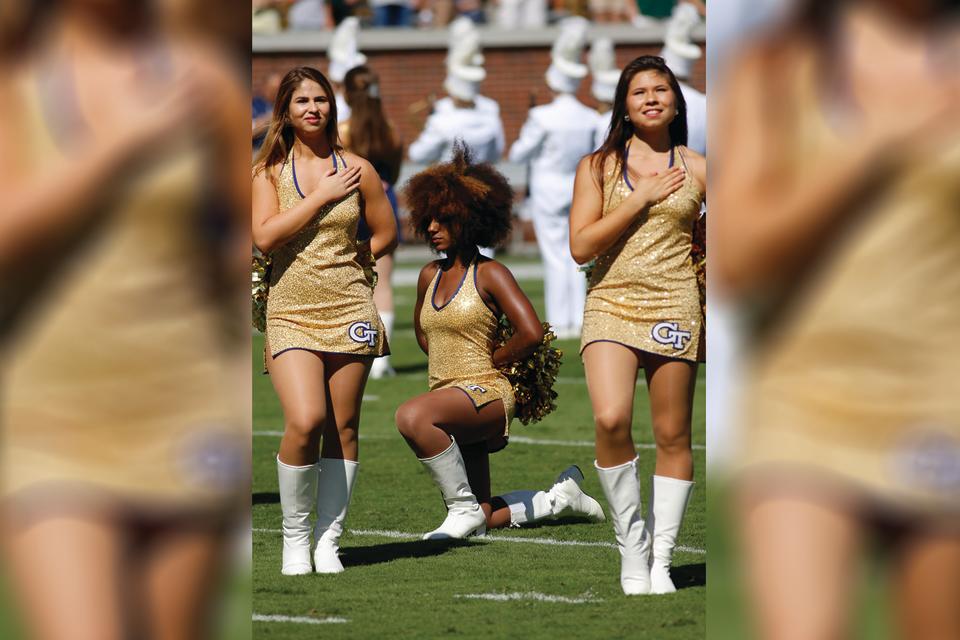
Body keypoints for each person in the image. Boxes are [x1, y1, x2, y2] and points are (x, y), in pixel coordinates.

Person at [0, 1, 249, 638]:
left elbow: (245, 228)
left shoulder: (200, 77)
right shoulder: (16, 77)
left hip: (187, 409)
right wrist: (119, 143)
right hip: (50, 418)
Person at [712, 1, 960, 637]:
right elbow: (736, 260)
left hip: (945, 404)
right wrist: (872, 146)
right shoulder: (776, 64)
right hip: (810, 402)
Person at [395, 144, 605, 538]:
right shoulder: (429, 275)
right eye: (430, 220)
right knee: (484, 518)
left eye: (444, 219)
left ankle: (459, 510)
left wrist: (491, 360)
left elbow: (531, 332)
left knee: (411, 416)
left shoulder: (491, 273)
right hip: (449, 394)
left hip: (485, 393)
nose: (434, 228)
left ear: (469, 219)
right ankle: (559, 499)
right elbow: (425, 334)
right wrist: (449, 359)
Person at [252, 66, 397, 575]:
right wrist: (320, 197)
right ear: (286, 113)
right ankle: (294, 539)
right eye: (302, 102)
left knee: (343, 426)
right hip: (290, 308)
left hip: (350, 308)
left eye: (320, 100)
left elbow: (384, 231)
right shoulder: (266, 174)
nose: (313, 109)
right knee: (305, 419)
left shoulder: (359, 168)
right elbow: (265, 237)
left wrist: (358, 262)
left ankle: (327, 541)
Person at [569, 55, 706, 595]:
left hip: (675, 305)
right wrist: (642, 197)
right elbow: (581, 245)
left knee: (673, 434)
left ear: (676, 101)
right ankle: (632, 547)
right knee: (610, 418)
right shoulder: (597, 166)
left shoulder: (700, 167)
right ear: (623, 106)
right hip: (611, 303)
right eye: (639, 92)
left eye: (661, 90)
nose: (651, 98)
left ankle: (663, 560)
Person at [509, 16, 597, 341]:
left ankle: (560, 320)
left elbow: (519, 153)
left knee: (554, 256)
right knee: (577, 254)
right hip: (578, 186)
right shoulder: (589, 116)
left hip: (547, 188)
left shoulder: (541, 116)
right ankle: (576, 317)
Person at [339, 64, 404, 379]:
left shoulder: (341, 130)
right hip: (383, 202)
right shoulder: (390, 129)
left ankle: (349, 348)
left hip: (349, 203)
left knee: (345, 278)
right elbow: (395, 172)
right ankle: (381, 361)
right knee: (383, 283)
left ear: (347, 94)